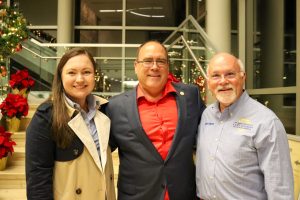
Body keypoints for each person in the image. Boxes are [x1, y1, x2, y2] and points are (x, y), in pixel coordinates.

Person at [106, 40, 206, 200]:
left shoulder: (190, 96)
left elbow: (210, 136)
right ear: (136, 65)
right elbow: (99, 152)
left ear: (167, 66)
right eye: (147, 61)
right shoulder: (115, 107)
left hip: (184, 194)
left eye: (161, 61)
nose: (154, 66)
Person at [195, 52, 294, 200]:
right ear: (208, 82)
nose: (223, 81)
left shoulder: (266, 122)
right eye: (216, 76)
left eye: (230, 74)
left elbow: (280, 187)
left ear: (243, 77)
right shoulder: (206, 115)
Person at [25, 48, 116, 200]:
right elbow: (38, 181)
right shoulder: (46, 117)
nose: (80, 79)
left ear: (95, 76)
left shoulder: (105, 110)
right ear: (60, 77)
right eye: (71, 73)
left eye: (86, 72)